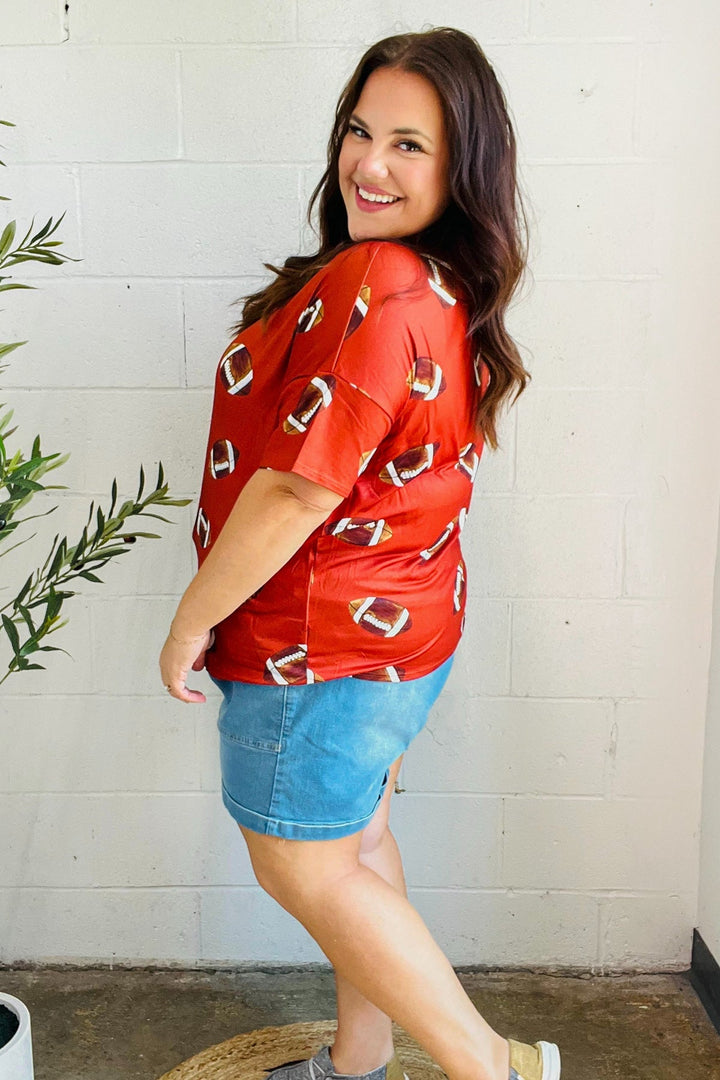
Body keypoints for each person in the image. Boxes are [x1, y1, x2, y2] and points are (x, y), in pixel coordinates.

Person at [159, 27, 561, 1080]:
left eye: (408, 146)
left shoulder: (383, 282)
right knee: (357, 851)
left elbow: (299, 488)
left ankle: (491, 1067)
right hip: (390, 641)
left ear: (461, 166)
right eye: (357, 131)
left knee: (304, 868)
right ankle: (360, 1062)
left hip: (317, 649)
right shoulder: (426, 281)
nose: (368, 165)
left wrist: (193, 615)